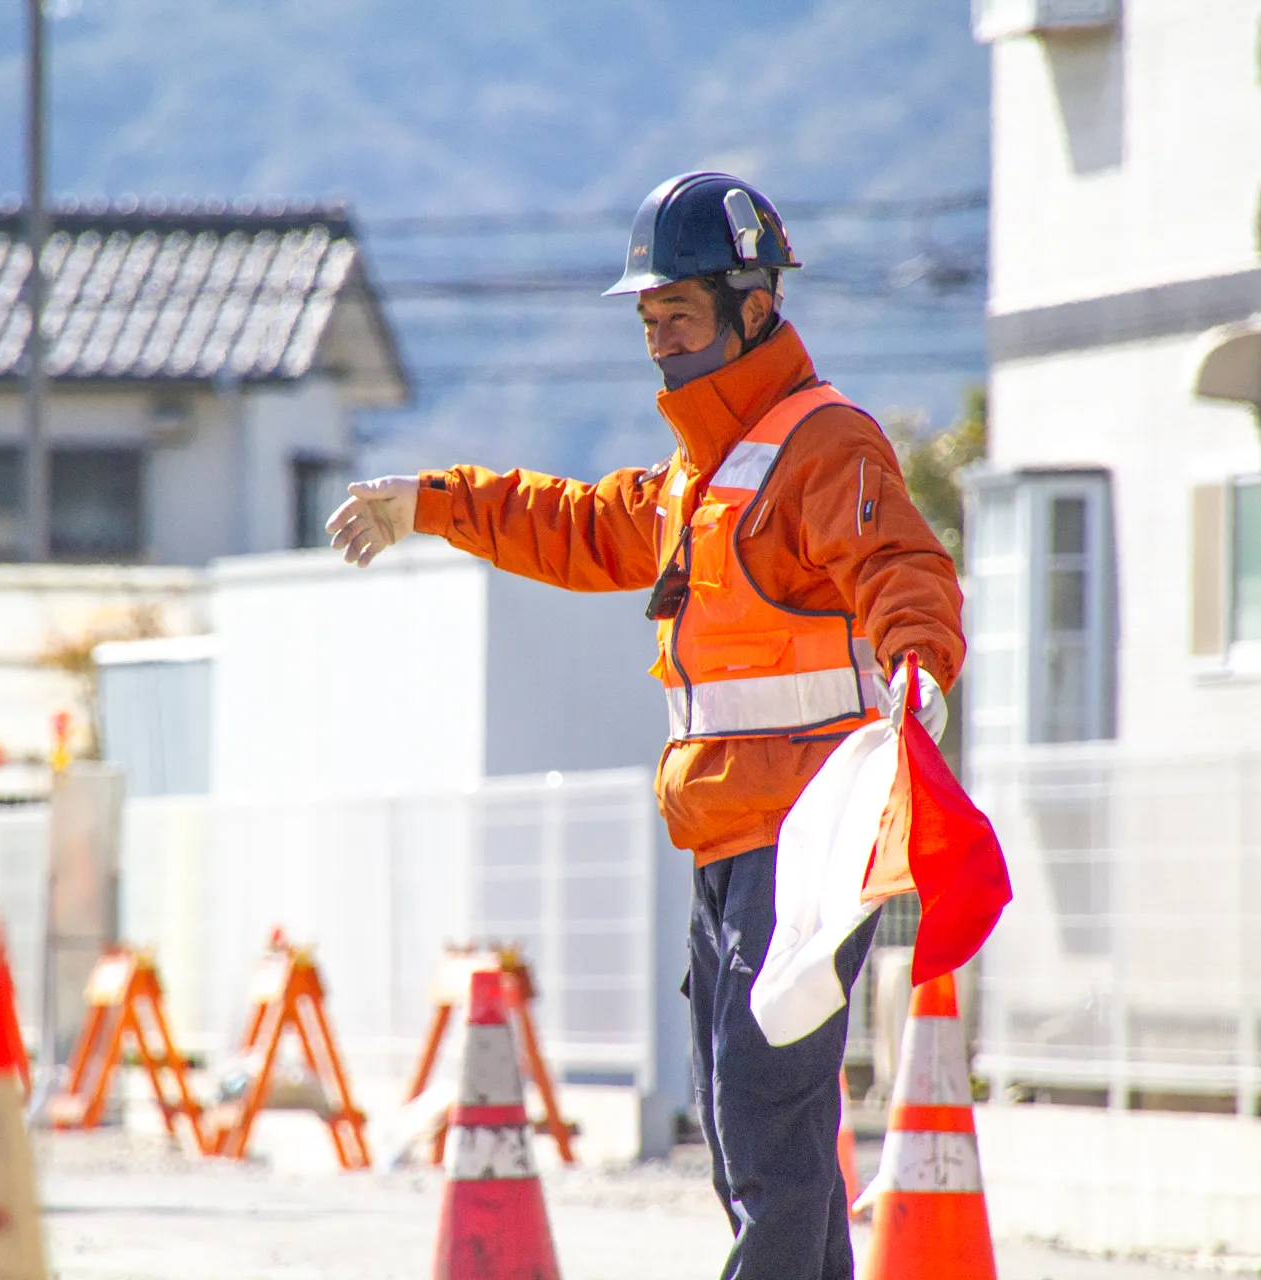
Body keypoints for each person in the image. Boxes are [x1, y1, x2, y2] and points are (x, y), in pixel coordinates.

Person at [326, 171, 964, 1280]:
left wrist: (920, 670)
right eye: (648, 318)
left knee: (766, 1125)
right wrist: (431, 501)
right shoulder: (698, 476)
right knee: (755, 1129)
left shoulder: (824, 446)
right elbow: (573, 524)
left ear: (753, 307)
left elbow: (901, 566)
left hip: (806, 844)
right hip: (733, 842)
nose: (658, 338)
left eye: (678, 313)